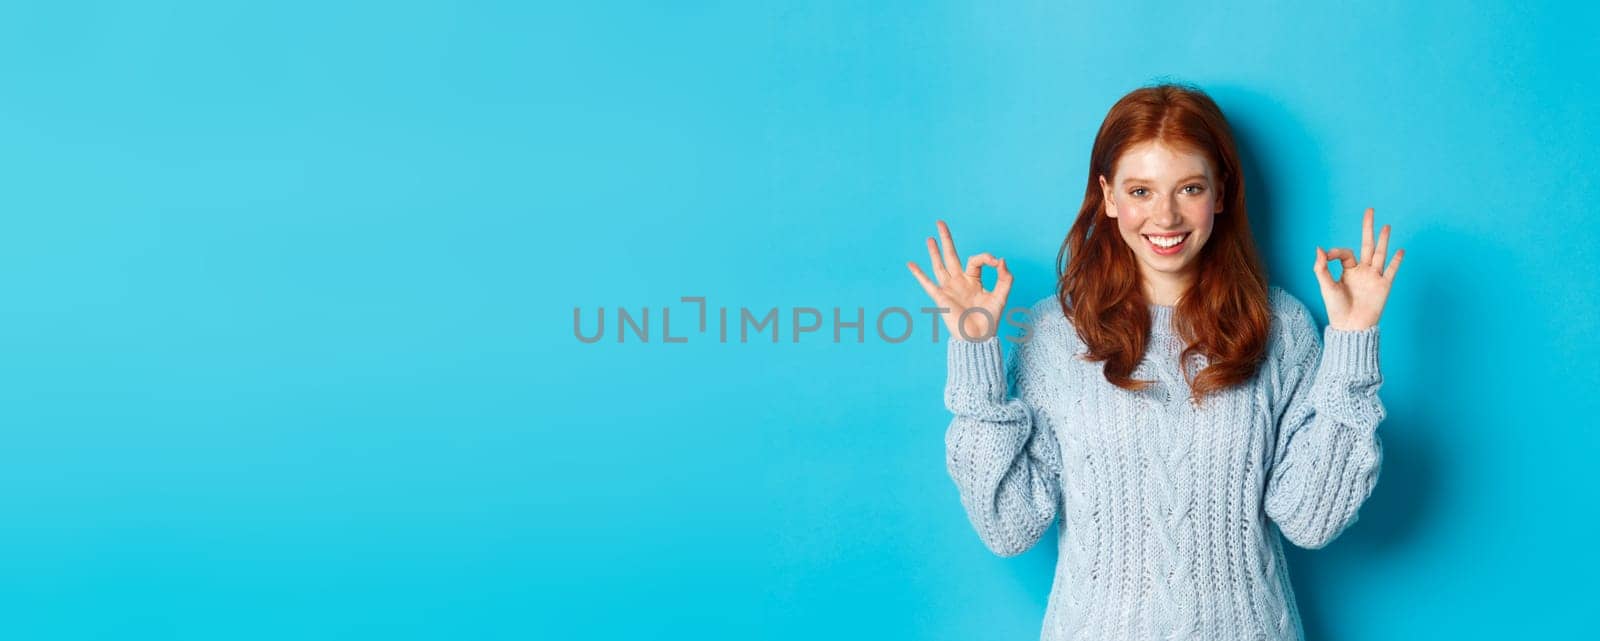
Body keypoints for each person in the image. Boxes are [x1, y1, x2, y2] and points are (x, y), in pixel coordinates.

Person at [905, 83, 1404, 641]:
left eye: (1188, 187)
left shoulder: (1279, 327)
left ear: (1220, 192)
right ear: (1108, 196)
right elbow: (1008, 525)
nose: (1164, 216)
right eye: (1140, 190)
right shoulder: (1054, 332)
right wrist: (975, 352)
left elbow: (1313, 519)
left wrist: (1353, 344)